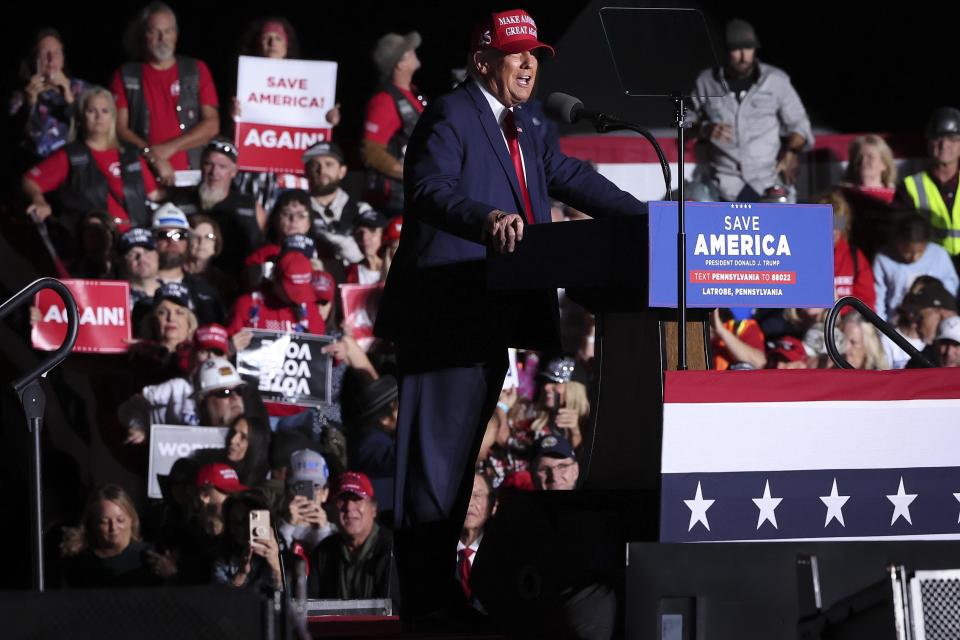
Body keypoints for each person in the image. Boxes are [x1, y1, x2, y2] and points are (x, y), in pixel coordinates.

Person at [375, 8, 646, 620]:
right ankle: (426, 606)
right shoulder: (451, 113)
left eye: (535, 55)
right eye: (516, 53)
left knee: (457, 466)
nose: (529, 64)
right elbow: (428, 189)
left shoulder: (526, 125)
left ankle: (442, 598)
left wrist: (648, 220)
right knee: (433, 471)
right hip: (445, 315)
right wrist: (484, 219)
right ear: (482, 62)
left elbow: (572, 176)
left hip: (488, 317)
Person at [687, 18, 813, 202]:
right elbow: (684, 121)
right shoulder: (707, 82)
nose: (744, 57)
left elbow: (800, 125)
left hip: (767, 183)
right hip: (723, 185)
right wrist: (704, 129)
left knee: (782, 224)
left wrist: (792, 152)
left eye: (748, 48)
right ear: (725, 51)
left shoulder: (776, 80)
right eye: (736, 50)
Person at [22, 87, 159, 243]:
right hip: (93, 244)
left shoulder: (130, 153)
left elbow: (154, 195)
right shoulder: (70, 155)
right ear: (81, 117)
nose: (99, 116)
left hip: (135, 240)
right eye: (91, 111)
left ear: (113, 117)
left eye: (105, 111)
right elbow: (29, 181)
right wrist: (39, 201)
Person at [233, 18, 340, 211]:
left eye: (278, 38)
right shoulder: (245, 80)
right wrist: (236, 118)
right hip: (254, 172)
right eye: (267, 38)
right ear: (258, 43)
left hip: (292, 176)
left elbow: (316, 126)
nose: (272, 43)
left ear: (287, 44)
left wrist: (329, 121)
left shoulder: (309, 81)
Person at [112, 2, 220, 185]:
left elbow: (212, 125)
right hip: (144, 175)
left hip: (192, 174)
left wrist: (169, 148)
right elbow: (119, 128)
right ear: (143, 36)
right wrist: (153, 157)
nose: (162, 38)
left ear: (176, 35)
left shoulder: (196, 70)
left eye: (168, 31)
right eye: (154, 32)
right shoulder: (125, 75)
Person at [172, 138, 265, 277]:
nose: (214, 172)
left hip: (236, 283)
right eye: (209, 164)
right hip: (188, 279)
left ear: (234, 171)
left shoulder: (250, 206)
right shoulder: (180, 204)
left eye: (222, 166)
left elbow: (263, 247)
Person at [362, 31, 426, 217]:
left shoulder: (413, 94)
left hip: (413, 195)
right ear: (399, 63)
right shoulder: (384, 101)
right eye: (409, 51)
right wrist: (410, 173)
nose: (415, 52)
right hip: (395, 202)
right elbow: (370, 151)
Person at [309, 471, 394, 599]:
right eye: (342, 500)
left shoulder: (391, 549)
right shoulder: (323, 552)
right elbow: (308, 606)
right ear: (333, 510)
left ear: (374, 509)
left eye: (357, 499)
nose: (349, 507)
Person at [60, 484, 165, 587]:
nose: (113, 528)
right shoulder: (79, 563)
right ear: (92, 523)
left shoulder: (151, 557)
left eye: (120, 520)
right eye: (104, 521)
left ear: (131, 519)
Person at [9, 28, 87, 166]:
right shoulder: (20, 95)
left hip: (73, 165)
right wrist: (29, 105)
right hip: (33, 166)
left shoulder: (80, 89)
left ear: (63, 57)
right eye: (45, 53)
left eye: (56, 53)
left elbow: (97, 129)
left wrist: (70, 99)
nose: (51, 59)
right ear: (35, 59)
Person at [897, 107, 960, 264]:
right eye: (937, 138)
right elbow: (900, 236)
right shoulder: (909, 187)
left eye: (952, 138)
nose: (944, 144)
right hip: (928, 268)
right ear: (928, 142)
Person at [873, 213, 959, 320]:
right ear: (898, 242)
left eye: (920, 252)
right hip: (896, 323)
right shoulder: (884, 259)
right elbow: (878, 298)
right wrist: (882, 327)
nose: (914, 258)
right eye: (907, 252)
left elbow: (951, 290)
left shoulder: (939, 255)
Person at [303, 141, 365, 264]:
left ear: (342, 171)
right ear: (306, 170)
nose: (322, 171)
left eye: (329, 164)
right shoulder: (297, 211)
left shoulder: (362, 211)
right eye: (315, 164)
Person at [211, 491, 283, 591]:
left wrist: (276, 566)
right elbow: (221, 601)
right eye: (235, 521)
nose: (241, 528)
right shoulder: (223, 558)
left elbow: (291, 598)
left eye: (247, 520)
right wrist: (241, 574)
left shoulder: (281, 548)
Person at [278, 449, 335, 554]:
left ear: (325, 494)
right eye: (300, 486)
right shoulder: (273, 526)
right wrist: (287, 527)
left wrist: (323, 532)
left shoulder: (338, 533)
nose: (308, 493)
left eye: (316, 486)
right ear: (287, 491)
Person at [457, 473, 494, 605]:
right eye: (464, 494)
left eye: (477, 496)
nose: (469, 502)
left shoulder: (501, 555)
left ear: (492, 507)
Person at [842, 134, 897, 204]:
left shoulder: (898, 197)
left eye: (870, 157)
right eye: (858, 156)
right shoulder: (839, 194)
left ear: (884, 164)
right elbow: (824, 213)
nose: (863, 161)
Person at [119, 227, 162, 308]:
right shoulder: (115, 298)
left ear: (157, 255)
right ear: (122, 260)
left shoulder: (176, 293)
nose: (141, 258)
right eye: (132, 253)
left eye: (147, 252)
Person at [226, 414, 271, 487]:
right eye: (233, 432)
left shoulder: (262, 488)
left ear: (255, 444)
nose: (233, 440)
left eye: (243, 437)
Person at [346, 209, 388, 284]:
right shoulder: (348, 273)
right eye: (359, 232)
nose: (364, 237)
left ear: (384, 234)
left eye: (372, 230)